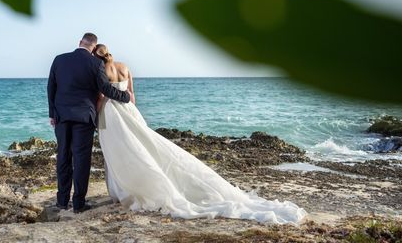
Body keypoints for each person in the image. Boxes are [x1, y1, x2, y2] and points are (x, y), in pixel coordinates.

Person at [93, 43, 307, 224]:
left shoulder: (103, 71)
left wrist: (96, 114)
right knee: (143, 147)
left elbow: (102, 97)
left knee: (121, 151)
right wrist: (135, 113)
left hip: (113, 114)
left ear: (97, 57)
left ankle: (125, 189)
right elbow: (131, 94)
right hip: (131, 111)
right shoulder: (124, 67)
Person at [47, 33, 131, 213]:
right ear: (93, 48)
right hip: (84, 117)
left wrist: (52, 113)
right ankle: (78, 204)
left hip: (61, 115)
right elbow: (105, 88)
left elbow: (51, 87)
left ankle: (62, 201)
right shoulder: (96, 63)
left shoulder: (59, 59)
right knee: (82, 160)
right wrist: (125, 97)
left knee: (63, 157)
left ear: (80, 42)